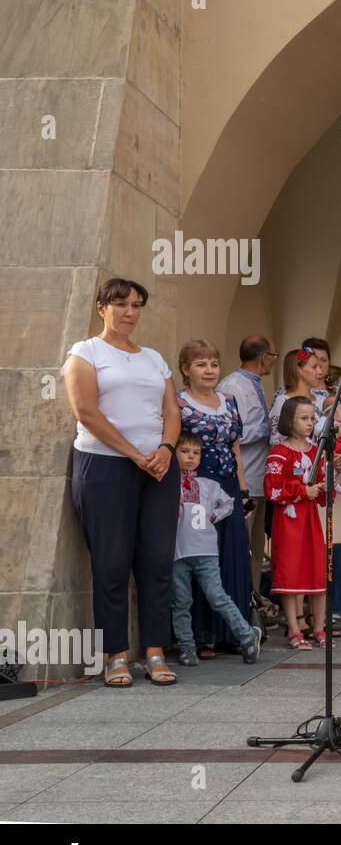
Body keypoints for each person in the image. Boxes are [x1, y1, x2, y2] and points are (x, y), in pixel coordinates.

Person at [63, 278, 181, 687]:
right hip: (105, 466)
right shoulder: (85, 352)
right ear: (101, 308)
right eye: (120, 304)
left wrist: (166, 448)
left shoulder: (154, 358)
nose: (130, 312)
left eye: (136, 305)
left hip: (160, 469)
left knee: (157, 561)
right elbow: (86, 412)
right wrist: (136, 455)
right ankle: (116, 654)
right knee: (111, 562)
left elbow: (171, 409)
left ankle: (154, 651)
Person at [177, 339, 253, 655]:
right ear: (186, 369)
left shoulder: (230, 400)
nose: (209, 370)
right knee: (198, 557)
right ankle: (201, 634)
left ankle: (231, 633)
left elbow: (235, 447)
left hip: (227, 487)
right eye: (201, 364)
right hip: (196, 487)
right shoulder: (178, 403)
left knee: (231, 554)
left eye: (213, 363)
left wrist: (244, 489)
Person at [171, 433, 261, 666]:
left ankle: (246, 634)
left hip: (205, 550)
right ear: (174, 453)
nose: (190, 457)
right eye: (184, 452)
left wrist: (214, 515)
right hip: (177, 552)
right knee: (181, 601)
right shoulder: (169, 485)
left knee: (217, 596)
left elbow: (229, 503)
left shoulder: (209, 486)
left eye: (196, 453)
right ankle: (187, 646)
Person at [265, 397, 341, 649]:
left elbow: (325, 494)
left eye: (312, 418)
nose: (310, 423)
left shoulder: (315, 451)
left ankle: (320, 627)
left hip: (310, 521)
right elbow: (272, 489)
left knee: (317, 572)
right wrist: (301, 490)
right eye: (304, 418)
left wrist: (332, 473)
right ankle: (294, 629)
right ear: (289, 420)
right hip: (289, 522)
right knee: (291, 573)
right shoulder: (279, 452)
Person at [217, 336, 277, 612]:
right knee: (241, 545)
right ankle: (238, 600)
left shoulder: (255, 385)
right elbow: (231, 433)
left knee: (255, 545)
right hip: (245, 479)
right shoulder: (233, 386)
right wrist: (268, 429)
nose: (273, 361)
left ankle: (252, 599)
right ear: (263, 356)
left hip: (261, 477)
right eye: (272, 355)